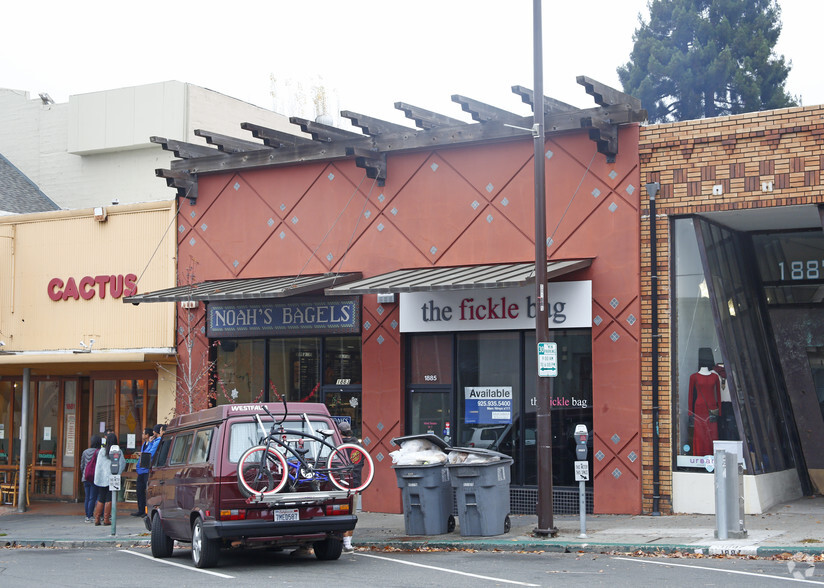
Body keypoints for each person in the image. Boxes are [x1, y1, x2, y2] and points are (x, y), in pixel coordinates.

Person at [688, 347, 721, 456]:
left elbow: (718, 396)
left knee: (712, 434)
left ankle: (712, 457)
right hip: (699, 409)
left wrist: (719, 411)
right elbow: (690, 396)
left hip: (712, 409)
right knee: (700, 434)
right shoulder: (693, 377)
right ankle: (699, 457)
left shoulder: (715, 377)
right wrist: (690, 413)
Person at [338, 420, 359, 554]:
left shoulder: (337, 445)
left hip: (339, 483)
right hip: (355, 483)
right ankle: (348, 543)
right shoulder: (357, 445)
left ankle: (344, 542)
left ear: (339, 432)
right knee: (351, 513)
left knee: (340, 513)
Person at [92, 432, 119, 526]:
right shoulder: (117, 450)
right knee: (109, 498)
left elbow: (98, 465)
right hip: (112, 477)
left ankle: (97, 518)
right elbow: (122, 463)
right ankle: (106, 519)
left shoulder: (102, 451)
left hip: (101, 478)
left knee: (101, 498)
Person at [132, 427, 156, 517]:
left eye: (143, 433)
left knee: (146, 491)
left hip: (146, 470)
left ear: (147, 435)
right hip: (140, 470)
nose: (142, 435)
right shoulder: (144, 444)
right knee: (139, 491)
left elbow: (149, 454)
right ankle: (140, 510)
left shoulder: (151, 443)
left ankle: (146, 511)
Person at [80, 435, 102, 523]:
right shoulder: (98, 452)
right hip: (94, 477)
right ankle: (90, 516)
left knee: (87, 497)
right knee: (93, 497)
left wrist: (84, 473)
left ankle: (87, 515)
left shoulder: (85, 452)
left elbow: (82, 465)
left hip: (85, 477)